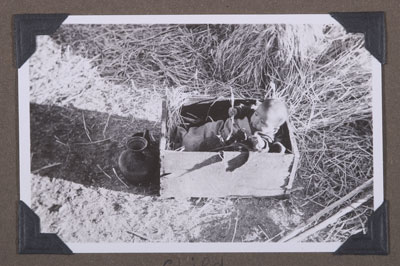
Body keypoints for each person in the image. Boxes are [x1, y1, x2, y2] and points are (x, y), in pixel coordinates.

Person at [175, 99, 289, 152]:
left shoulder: (265, 136)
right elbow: (245, 109)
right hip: (221, 128)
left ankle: (188, 145)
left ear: (274, 129)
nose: (255, 120)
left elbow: (266, 145)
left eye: (263, 122)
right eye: (256, 115)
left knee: (200, 148)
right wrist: (236, 111)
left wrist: (259, 144)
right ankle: (186, 135)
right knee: (202, 131)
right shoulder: (252, 112)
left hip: (226, 144)